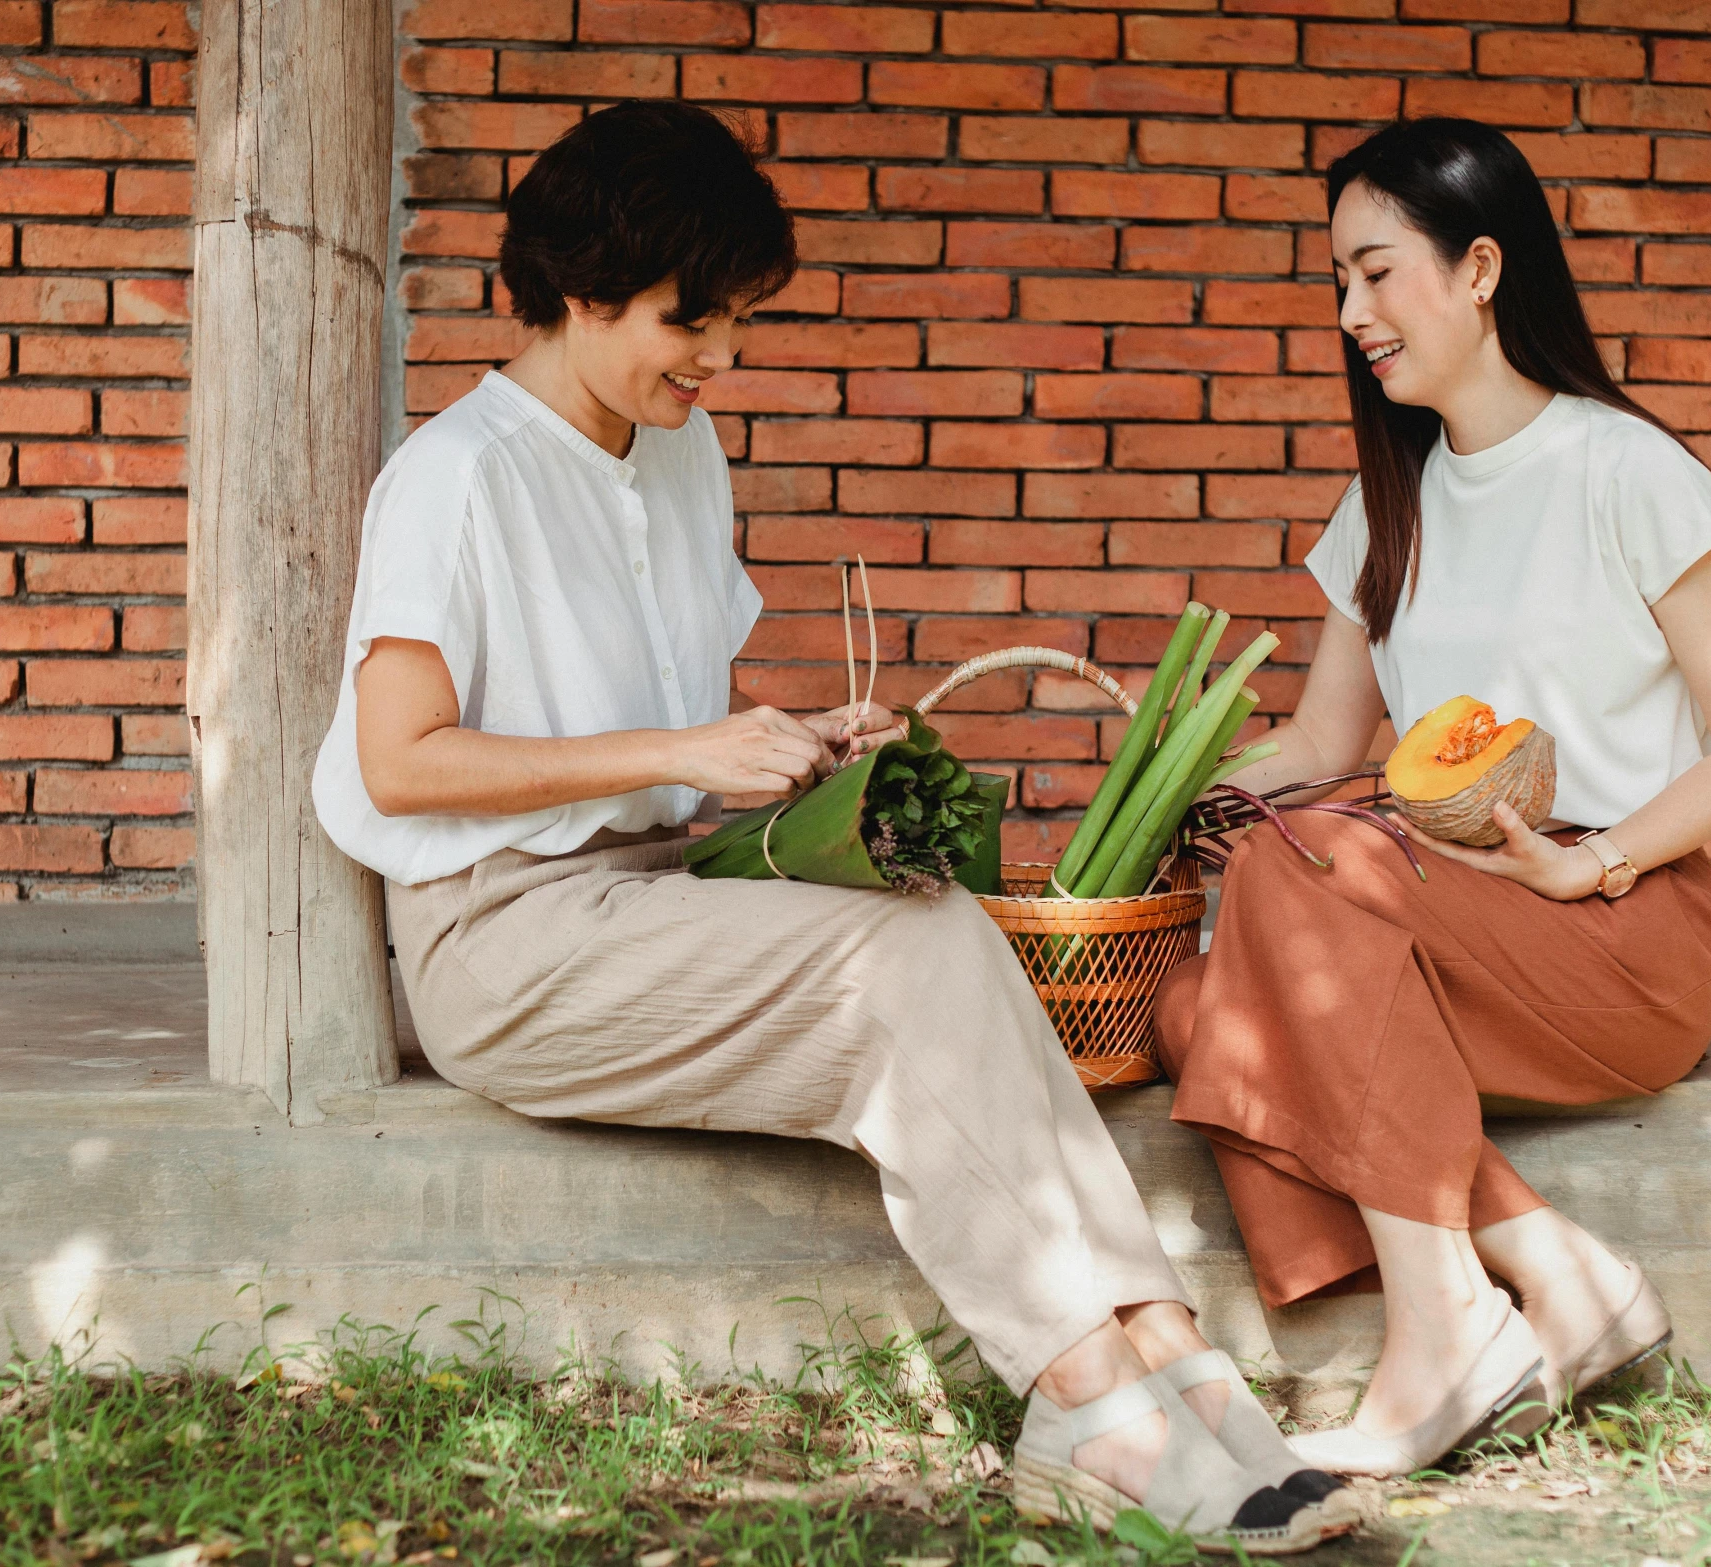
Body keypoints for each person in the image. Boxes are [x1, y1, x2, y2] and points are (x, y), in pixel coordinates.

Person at [314, 101, 1349, 1552]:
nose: (720, 356)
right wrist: (686, 747)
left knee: (939, 926)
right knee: (904, 970)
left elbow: (650, 744)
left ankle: (1170, 1356)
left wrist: (785, 753)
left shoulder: (679, 452)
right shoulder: (454, 478)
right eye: (694, 319)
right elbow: (399, 764)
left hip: (660, 891)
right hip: (506, 940)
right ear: (582, 286)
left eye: (738, 319)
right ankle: (1084, 1402)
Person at [1152, 118, 1711, 1479]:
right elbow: (1317, 740)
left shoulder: (1628, 472)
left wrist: (1601, 860)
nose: (1350, 313)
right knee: (1185, 1003)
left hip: (1621, 929)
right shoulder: (1388, 496)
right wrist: (1159, 792)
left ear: (1481, 266)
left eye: (1375, 273)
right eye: (1337, 281)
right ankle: (1549, 1262)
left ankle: (1445, 1323)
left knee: (1306, 873)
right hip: (1440, 908)